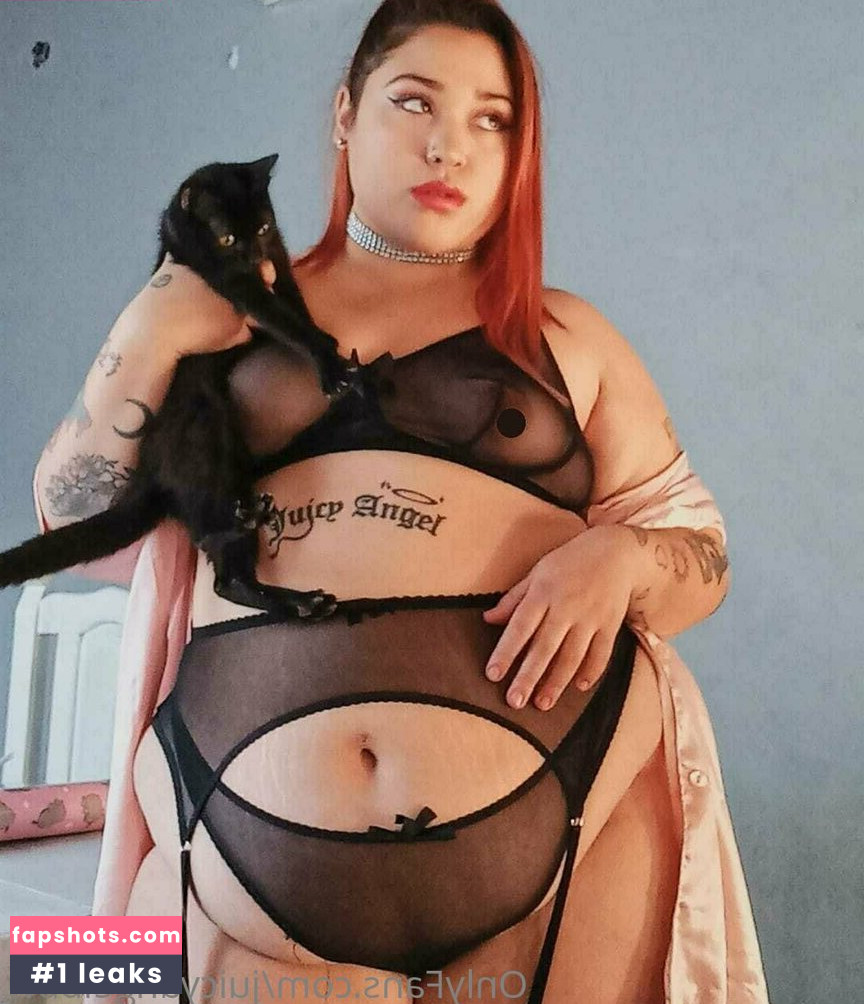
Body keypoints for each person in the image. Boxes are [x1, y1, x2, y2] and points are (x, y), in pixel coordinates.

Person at [31, 2, 770, 1002]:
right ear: (345, 113)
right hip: (242, 869)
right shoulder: (223, 315)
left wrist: (626, 558)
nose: (448, 145)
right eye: (415, 101)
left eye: (491, 119)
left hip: (573, 857)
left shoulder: (571, 338)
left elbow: (701, 548)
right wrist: (148, 330)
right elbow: (72, 523)